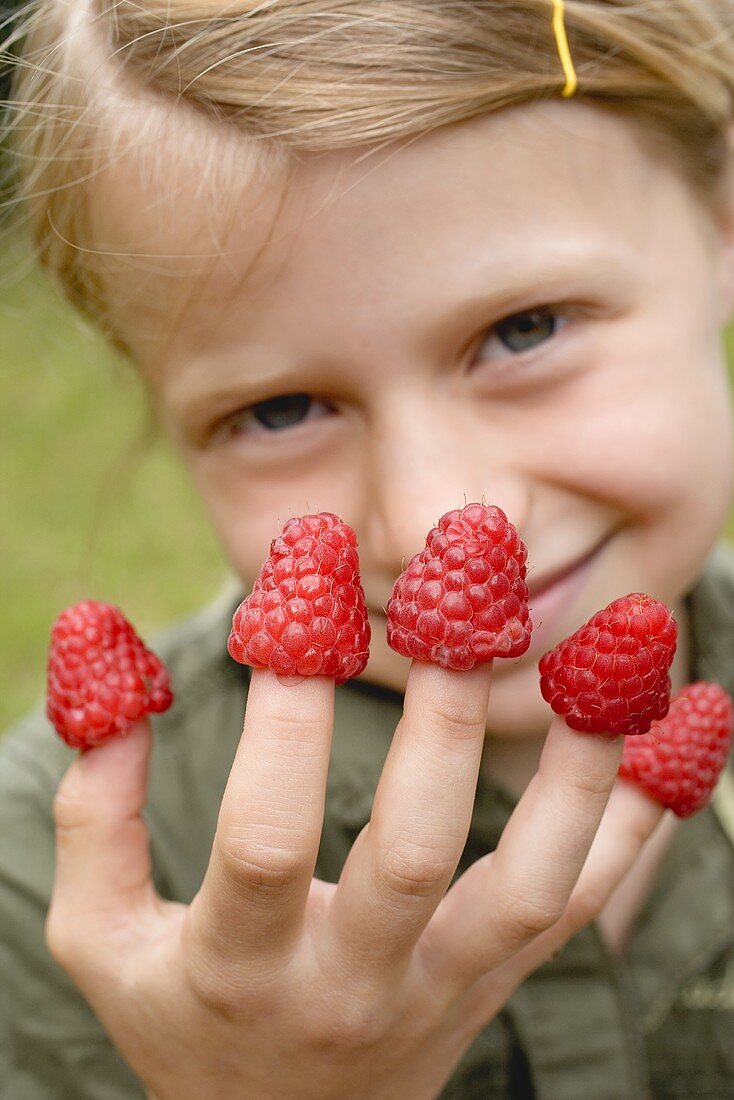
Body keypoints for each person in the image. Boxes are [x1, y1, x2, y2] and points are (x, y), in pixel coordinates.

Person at [2, 1, 734, 1096]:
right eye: (283, 406)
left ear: (720, 217)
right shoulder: (54, 889)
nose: (432, 516)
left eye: (523, 328)